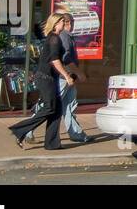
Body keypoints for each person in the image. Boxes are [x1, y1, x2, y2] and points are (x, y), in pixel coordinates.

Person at [23, 13, 89, 145]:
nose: (69, 25)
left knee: (69, 105)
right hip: (62, 77)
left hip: (68, 77)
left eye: (71, 22)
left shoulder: (67, 36)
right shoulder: (62, 37)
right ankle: (27, 130)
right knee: (49, 106)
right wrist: (76, 73)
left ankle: (75, 133)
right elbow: (63, 59)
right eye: (66, 22)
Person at [9, 14, 73, 150]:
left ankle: (52, 143)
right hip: (45, 78)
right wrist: (67, 76)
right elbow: (54, 60)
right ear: (56, 24)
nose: (65, 23)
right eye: (63, 21)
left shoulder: (55, 37)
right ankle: (19, 130)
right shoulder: (54, 38)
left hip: (50, 78)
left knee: (56, 110)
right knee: (49, 108)